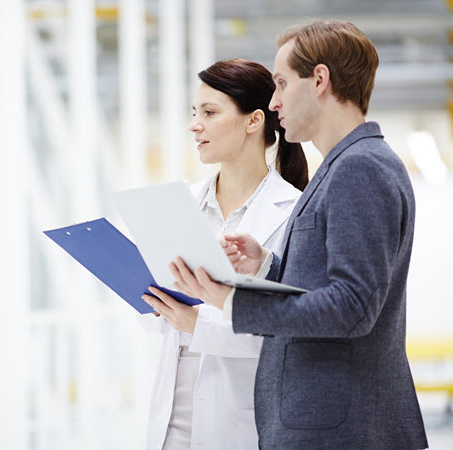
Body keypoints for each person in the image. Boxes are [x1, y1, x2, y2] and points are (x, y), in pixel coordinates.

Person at [168, 20, 429, 449]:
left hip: (340, 430)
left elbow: (352, 307)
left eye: (282, 83)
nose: (274, 102)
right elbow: (332, 284)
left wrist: (231, 302)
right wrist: (267, 266)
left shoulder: (359, 168)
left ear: (320, 80)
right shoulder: (342, 167)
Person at [138, 59, 308, 450]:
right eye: (194, 113)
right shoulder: (180, 204)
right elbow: (157, 319)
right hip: (171, 419)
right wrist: (155, 303)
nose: (194, 125)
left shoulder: (297, 212)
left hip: (239, 419)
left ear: (254, 121)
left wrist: (196, 322)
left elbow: (293, 332)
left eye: (210, 113)